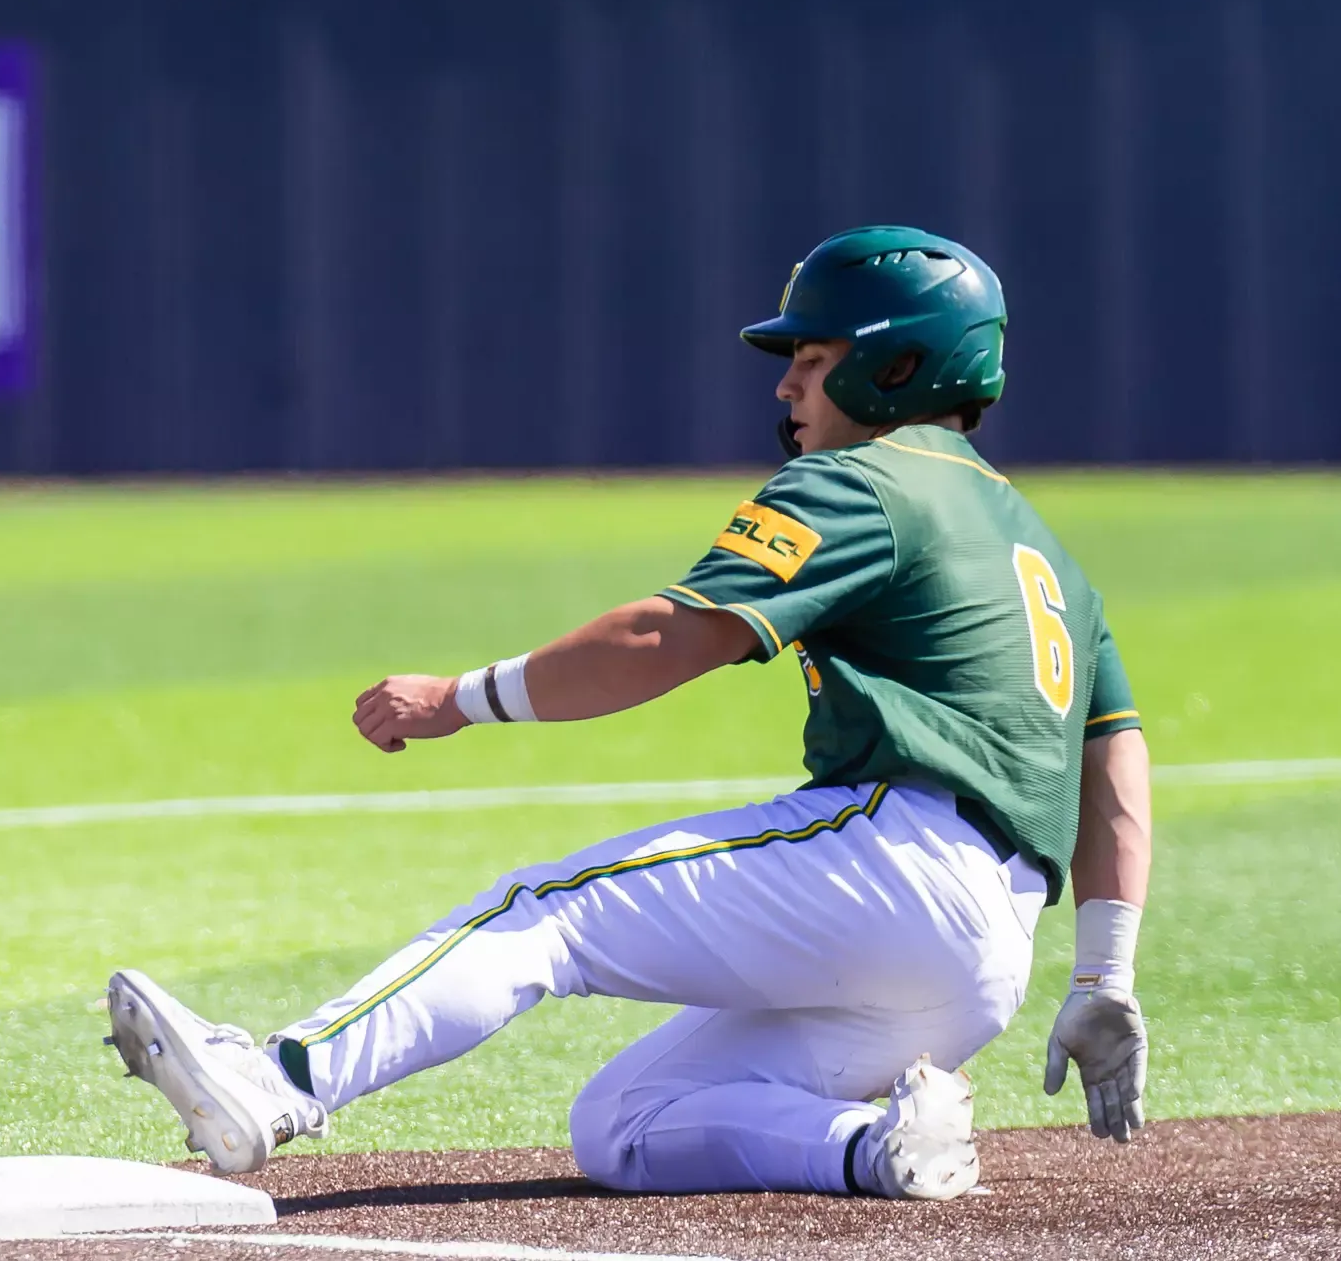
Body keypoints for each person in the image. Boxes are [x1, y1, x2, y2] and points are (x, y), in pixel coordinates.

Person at [108, 226, 1151, 1198]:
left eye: (813, 355)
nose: (787, 380)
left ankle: (283, 1077)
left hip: (895, 862)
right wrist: (1104, 970)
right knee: (624, 1119)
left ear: (894, 367)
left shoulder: (860, 480)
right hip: (983, 962)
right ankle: (872, 1145)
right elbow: (1113, 761)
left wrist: (462, 698)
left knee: (538, 913)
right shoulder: (1045, 551)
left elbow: (670, 636)